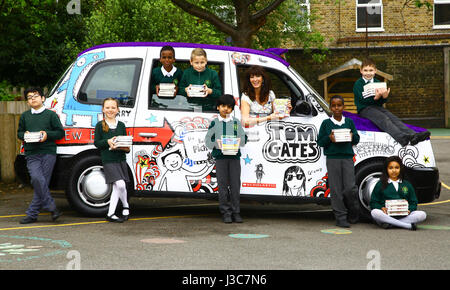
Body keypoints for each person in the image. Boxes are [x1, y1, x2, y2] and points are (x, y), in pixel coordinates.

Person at [353, 58, 430, 147]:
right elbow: (363, 101)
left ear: (375, 71)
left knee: (393, 118)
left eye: (371, 70)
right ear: (361, 71)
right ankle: (403, 138)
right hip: (365, 109)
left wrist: (384, 97)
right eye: (365, 70)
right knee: (383, 119)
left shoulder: (378, 82)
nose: (368, 73)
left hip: (377, 107)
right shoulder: (358, 84)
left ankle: (413, 135)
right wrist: (376, 97)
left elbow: (380, 102)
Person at [17, 87, 65, 224]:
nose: (33, 98)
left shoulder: (51, 115)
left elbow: (60, 133)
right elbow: (19, 133)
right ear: (27, 102)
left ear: (43, 98)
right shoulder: (25, 116)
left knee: (42, 182)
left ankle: (32, 214)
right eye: (29, 97)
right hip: (31, 153)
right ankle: (51, 207)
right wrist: (24, 135)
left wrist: (47, 134)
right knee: (37, 179)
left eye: (35, 96)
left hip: (48, 152)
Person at [317, 95, 360, 228]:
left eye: (339, 105)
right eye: (334, 105)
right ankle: (340, 217)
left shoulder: (349, 122)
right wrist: (330, 138)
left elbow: (356, 139)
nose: (336, 108)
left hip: (347, 158)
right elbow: (320, 142)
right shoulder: (326, 123)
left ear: (343, 107)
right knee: (335, 189)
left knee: (350, 188)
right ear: (330, 108)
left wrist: (352, 137)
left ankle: (353, 210)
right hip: (333, 158)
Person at [204, 94, 247, 223]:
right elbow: (207, 141)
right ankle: (225, 212)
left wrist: (239, 141)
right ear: (218, 107)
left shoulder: (236, 122)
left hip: (234, 158)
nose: (225, 109)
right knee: (222, 186)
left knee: (235, 185)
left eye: (229, 107)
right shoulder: (214, 123)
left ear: (232, 109)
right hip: (220, 159)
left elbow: (244, 140)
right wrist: (218, 144)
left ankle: (236, 212)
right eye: (223, 106)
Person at [94, 98, 131, 223]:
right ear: (103, 109)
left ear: (118, 110)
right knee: (120, 184)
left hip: (120, 158)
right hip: (108, 159)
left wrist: (125, 147)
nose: (110, 110)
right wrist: (108, 142)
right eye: (108, 107)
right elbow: (97, 143)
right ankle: (125, 205)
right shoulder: (100, 125)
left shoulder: (121, 125)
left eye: (113, 108)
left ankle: (111, 213)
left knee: (119, 187)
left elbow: (125, 144)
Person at [370, 156, 426, 230]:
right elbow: (373, 202)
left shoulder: (407, 184)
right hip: (386, 214)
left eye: (397, 168)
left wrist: (409, 209)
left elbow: (413, 202)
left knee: (422, 214)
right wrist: (381, 208)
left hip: (404, 215)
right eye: (391, 168)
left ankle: (391, 223)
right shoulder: (380, 184)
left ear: (400, 169)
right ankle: (407, 225)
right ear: (386, 169)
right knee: (375, 212)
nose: (394, 170)